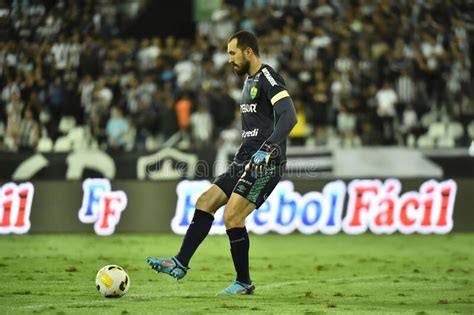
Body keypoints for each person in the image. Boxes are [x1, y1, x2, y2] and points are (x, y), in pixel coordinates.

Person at [146, 30, 297, 296]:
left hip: (265, 161)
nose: (229, 59)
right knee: (205, 202)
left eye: (232, 53)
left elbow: (289, 117)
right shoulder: (248, 80)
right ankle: (180, 262)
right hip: (244, 158)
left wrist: (269, 148)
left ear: (248, 51)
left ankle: (243, 282)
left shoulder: (268, 77)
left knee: (232, 216)